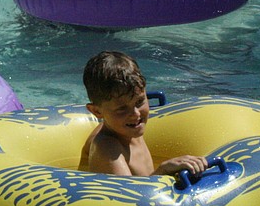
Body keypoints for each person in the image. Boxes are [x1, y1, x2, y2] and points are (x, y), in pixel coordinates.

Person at [78, 51, 208, 178]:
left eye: (139, 101)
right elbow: (129, 197)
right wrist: (163, 170)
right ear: (96, 111)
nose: (135, 114)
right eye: (122, 108)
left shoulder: (128, 128)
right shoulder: (107, 150)